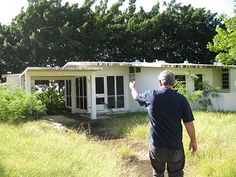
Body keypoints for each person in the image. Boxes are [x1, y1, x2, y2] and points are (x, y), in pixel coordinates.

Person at [129, 70, 197, 177]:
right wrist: (193, 141)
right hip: (175, 147)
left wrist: (132, 88)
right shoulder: (181, 100)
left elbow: (136, 97)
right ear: (174, 83)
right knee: (176, 174)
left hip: (156, 146)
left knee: (157, 173)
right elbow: (188, 124)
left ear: (160, 82)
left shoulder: (151, 95)